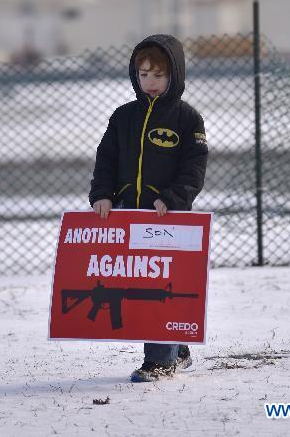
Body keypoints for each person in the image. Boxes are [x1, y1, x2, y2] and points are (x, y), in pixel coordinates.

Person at [89, 34, 208, 382]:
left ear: (174, 75)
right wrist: (103, 194)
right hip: (129, 216)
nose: (150, 83)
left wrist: (172, 199)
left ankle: (160, 360)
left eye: (158, 75)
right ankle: (176, 349)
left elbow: (194, 169)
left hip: (168, 220)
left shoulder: (188, 119)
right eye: (143, 75)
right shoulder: (123, 117)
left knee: (161, 288)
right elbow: (106, 160)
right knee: (136, 286)